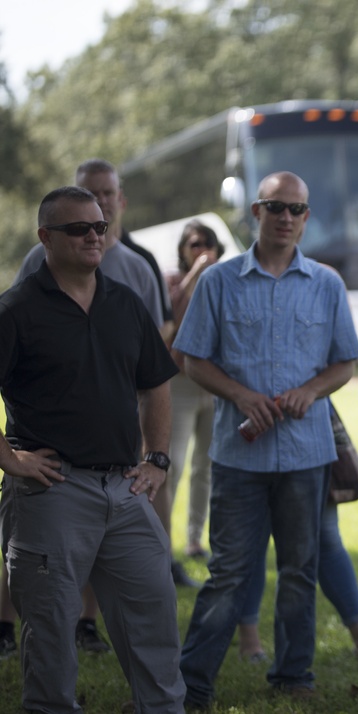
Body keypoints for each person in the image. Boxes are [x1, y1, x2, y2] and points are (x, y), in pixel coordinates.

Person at [173, 171, 358, 707]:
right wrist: (241, 394)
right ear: (256, 211)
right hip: (238, 456)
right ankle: (192, 687)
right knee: (229, 572)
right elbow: (191, 358)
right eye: (275, 207)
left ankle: (293, 676)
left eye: (296, 209)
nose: (286, 218)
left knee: (299, 570)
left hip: (306, 453)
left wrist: (311, 390)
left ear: (306, 217)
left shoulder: (326, 283)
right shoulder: (219, 280)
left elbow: (345, 362)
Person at [0, 186, 185, 712]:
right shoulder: (16, 310)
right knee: (52, 631)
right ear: (46, 238)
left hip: (125, 488)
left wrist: (158, 459)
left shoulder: (123, 302)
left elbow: (156, 384)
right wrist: (11, 459)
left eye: (99, 227)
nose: (93, 237)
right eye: (78, 229)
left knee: (153, 609)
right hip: (51, 491)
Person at [164, 220, 224, 559]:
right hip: (180, 383)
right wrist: (193, 278)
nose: (202, 250)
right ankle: (163, 538)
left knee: (207, 466)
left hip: (215, 385)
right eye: (195, 244)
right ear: (184, 249)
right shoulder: (172, 281)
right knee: (173, 462)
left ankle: (194, 539)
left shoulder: (223, 282)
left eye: (207, 244)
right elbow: (169, 315)